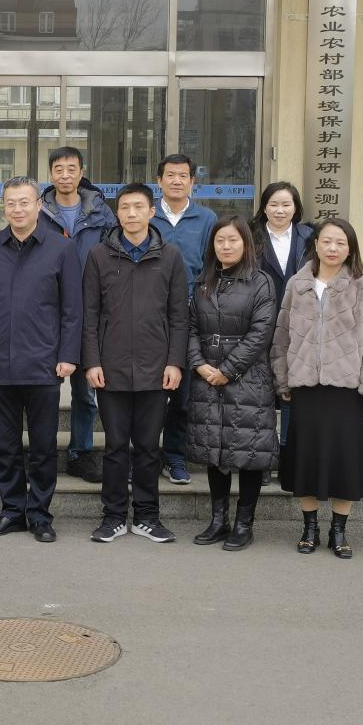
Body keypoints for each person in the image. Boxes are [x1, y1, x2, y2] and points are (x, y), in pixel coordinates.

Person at [270, 219, 363, 559]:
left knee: (345, 462)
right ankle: (309, 527)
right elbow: (282, 335)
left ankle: (339, 530)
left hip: (346, 389)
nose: (333, 248)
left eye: (340, 242)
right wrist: (283, 377)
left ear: (350, 248)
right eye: (326, 241)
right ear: (316, 244)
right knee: (306, 460)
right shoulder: (297, 284)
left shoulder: (362, 286)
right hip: (305, 387)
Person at [0, 176, 82, 544]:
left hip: (44, 364)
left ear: (39, 205)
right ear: (3, 207)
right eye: (11, 203)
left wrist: (68, 355)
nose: (17, 209)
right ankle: (12, 511)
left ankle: (40, 514)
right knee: (5, 445)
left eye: (24, 202)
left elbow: (73, 309)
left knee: (44, 446)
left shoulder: (61, 248)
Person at [82, 184, 187, 545]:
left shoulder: (170, 257)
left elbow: (179, 317)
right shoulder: (100, 256)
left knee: (147, 446)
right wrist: (91, 361)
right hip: (110, 368)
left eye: (138, 207)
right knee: (114, 447)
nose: (131, 213)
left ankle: (146, 517)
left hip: (155, 368)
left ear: (151, 212)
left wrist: (175, 362)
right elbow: (90, 314)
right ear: (117, 214)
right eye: (124, 207)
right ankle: (113, 517)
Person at [186, 216, 277, 551]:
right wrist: (199, 364)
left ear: (246, 243)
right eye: (220, 240)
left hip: (248, 379)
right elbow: (190, 327)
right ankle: (218, 520)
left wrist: (227, 369)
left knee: (248, 451)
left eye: (233, 240)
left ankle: (243, 524)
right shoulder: (204, 281)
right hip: (207, 377)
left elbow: (260, 334)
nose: (226, 246)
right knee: (216, 449)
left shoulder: (261, 282)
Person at [38, 146, 116, 484]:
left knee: (85, 391)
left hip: (89, 311)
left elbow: (114, 257)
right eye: (59, 169)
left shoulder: (101, 212)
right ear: (51, 173)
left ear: (81, 172)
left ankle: (80, 453)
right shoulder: (39, 210)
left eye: (72, 169)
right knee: (43, 389)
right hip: (45, 311)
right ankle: (41, 452)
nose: (65, 175)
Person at [150, 153, 217, 486]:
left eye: (183, 176)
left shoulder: (206, 219)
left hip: (190, 316)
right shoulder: (147, 214)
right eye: (170, 175)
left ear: (193, 182)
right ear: (159, 180)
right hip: (147, 315)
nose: (176, 181)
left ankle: (175, 455)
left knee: (182, 392)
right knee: (146, 391)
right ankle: (145, 454)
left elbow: (211, 267)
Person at [249, 181, 315, 485]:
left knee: (292, 393)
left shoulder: (309, 237)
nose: (280, 210)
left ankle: (288, 461)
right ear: (264, 207)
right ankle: (262, 460)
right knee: (260, 395)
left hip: (299, 328)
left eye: (286, 204)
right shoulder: (250, 235)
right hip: (258, 324)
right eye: (273, 204)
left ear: (295, 208)